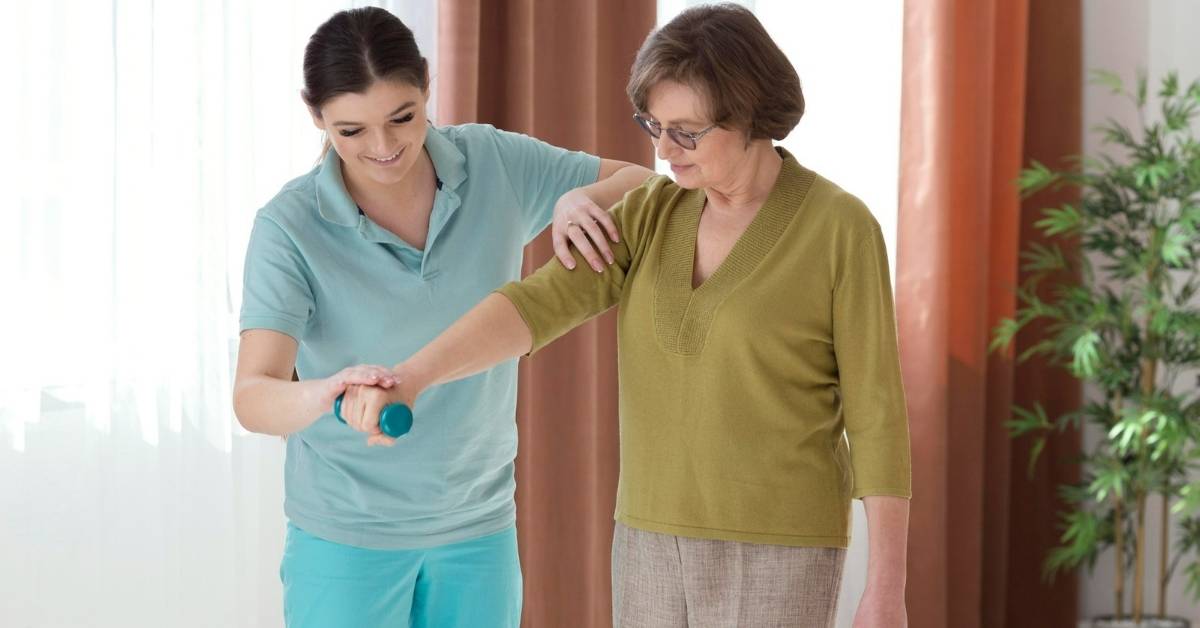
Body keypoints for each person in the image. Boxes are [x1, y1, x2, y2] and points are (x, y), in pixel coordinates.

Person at [339, 4, 912, 627]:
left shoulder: (839, 228)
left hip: (782, 545)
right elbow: (532, 307)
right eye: (653, 124)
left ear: (750, 115)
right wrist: (415, 376)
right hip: (646, 538)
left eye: (686, 131)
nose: (663, 149)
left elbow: (877, 416)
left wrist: (886, 590)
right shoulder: (650, 213)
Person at [231, 7, 653, 627]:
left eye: (402, 117)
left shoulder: (492, 163)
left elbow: (643, 182)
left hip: (478, 526)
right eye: (351, 131)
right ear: (315, 115)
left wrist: (576, 196)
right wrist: (327, 391)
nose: (383, 148)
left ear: (428, 84)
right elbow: (253, 395)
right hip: (347, 538)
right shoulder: (288, 226)